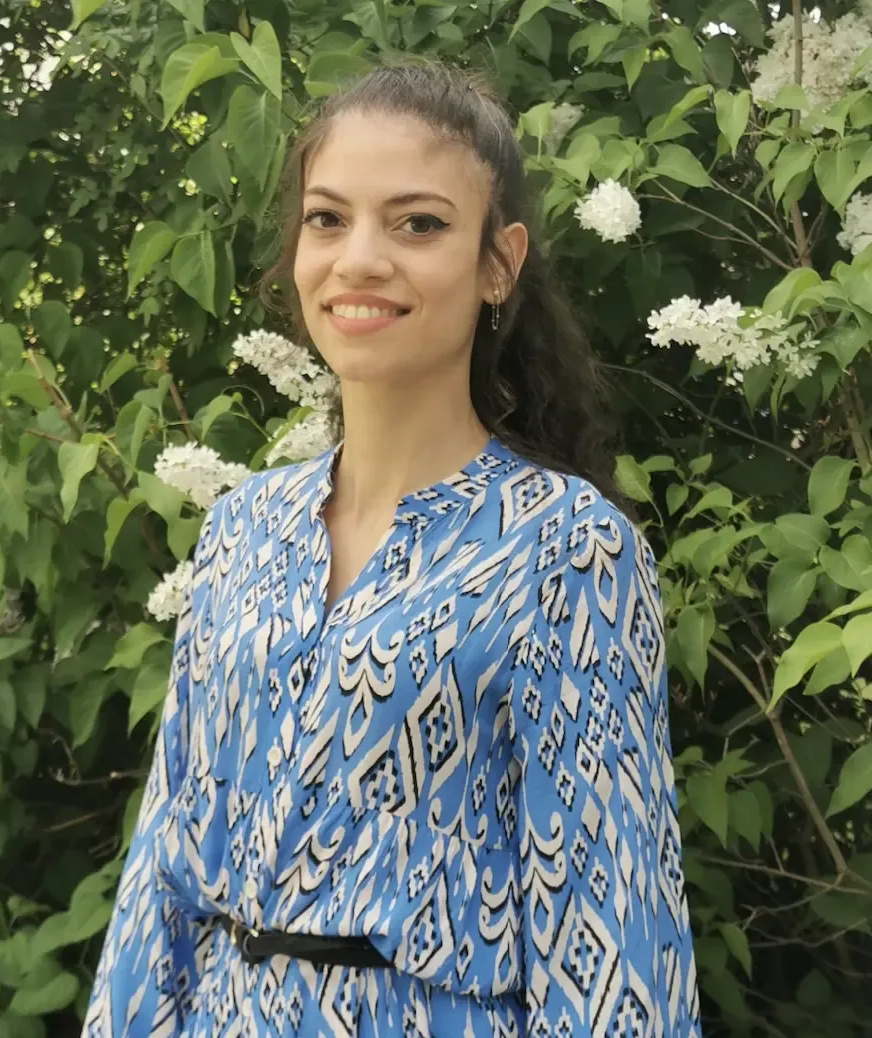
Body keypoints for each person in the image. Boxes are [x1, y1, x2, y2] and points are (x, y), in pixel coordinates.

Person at [82, 57, 702, 1038]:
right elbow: (164, 868)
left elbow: (614, 926)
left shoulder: (566, 549)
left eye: (418, 223)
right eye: (328, 219)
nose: (360, 257)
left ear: (498, 262)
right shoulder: (244, 529)